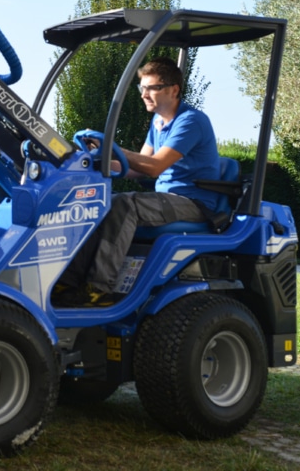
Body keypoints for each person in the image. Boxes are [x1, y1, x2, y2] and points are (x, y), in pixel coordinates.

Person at [55, 56, 222, 307]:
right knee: (97, 202)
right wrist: (93, 162)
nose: (144, 94)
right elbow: (137, 167)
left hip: (194, 202)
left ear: (173, 90)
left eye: (151, 88)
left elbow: (154, 167)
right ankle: (69, 282)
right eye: (141, 88)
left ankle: (99, 289)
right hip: (167, 200)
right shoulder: (158, 122)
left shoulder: (191, 122)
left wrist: (112, 147)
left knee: (125, 204)